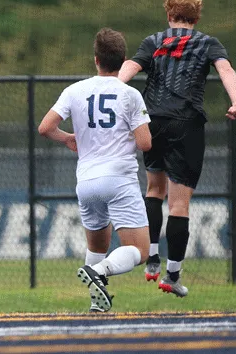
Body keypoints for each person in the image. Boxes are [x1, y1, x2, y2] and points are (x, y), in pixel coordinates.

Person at [118, 0, 236, 297]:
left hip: (153, 120)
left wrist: (112, 89)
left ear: (168, 13)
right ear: (197, 16)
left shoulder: (154, 41)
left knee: (153, 190)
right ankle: (172, 276)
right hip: (186, 124)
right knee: (179, 204)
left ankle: (150, 257)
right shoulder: (207, 42)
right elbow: (225, 69)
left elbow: (132, 66)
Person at [38, 28, 152, 313]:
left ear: (96, 60)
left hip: (86, 181)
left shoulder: (74, 90)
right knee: (140, 251)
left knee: (98, 246)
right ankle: (99, 272)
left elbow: (45, 128)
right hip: (118, 180)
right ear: (123, 60)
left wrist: (66, 138)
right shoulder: (130, 94)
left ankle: (96, 301)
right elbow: (145, 143)